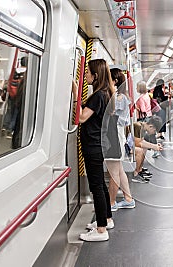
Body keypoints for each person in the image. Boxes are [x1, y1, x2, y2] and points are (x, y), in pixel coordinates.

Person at [72, 59, 114, 241]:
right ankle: (106, 219)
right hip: (99, 144)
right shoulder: (105, 94)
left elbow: (81, 117)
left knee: (96, 186)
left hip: (93, 146)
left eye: (88, 72)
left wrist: (76, 94)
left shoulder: (98, 96)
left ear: (95, 75)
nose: (86, 75)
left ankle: (101, 230)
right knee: (101, 185)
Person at [105, 68, 135, 211]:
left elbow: (109, 113)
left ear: (115, 81)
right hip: (118, 133)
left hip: (115, 134)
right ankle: (128, 198)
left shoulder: (119, 98)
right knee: (119, 169)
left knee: (114, 171)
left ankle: (111, 203)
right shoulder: (123, 96)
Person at [132, 116, 163, 183]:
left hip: (129, 145)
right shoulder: (138, 127)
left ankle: (139, 170)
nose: (154, 133)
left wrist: (154, 146)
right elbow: (138, 143)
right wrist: (153, 146)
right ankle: (135, 174)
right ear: (150, 126)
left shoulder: (142, 128)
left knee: (144, 148)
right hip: (123, 146)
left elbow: (141, 142)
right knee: (140, 151)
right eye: (154, 131)